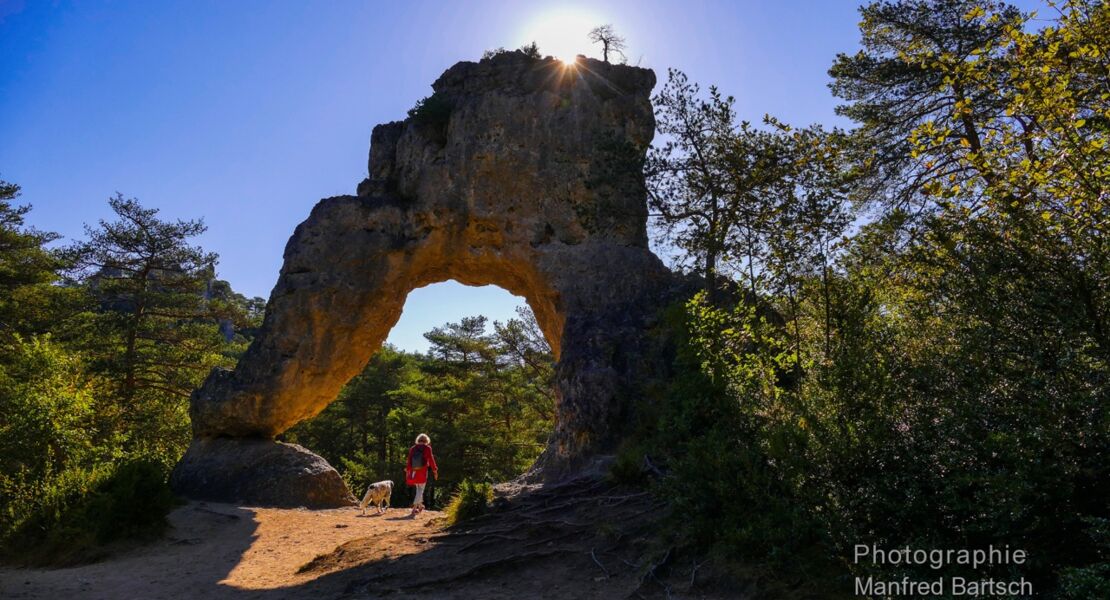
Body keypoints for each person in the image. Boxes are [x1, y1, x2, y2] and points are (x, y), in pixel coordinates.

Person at [405, 433, 438, 515]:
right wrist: (435, 471)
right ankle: (414, 508)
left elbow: (409, 460)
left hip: (414, 472)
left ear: (418, 440)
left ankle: (420, 506)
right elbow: (431, 460)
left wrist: (408, 471)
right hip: (422, 472)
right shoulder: (427, 448)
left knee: (418, 489)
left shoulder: (413, 448)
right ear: (426, 440)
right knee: (420, 490)